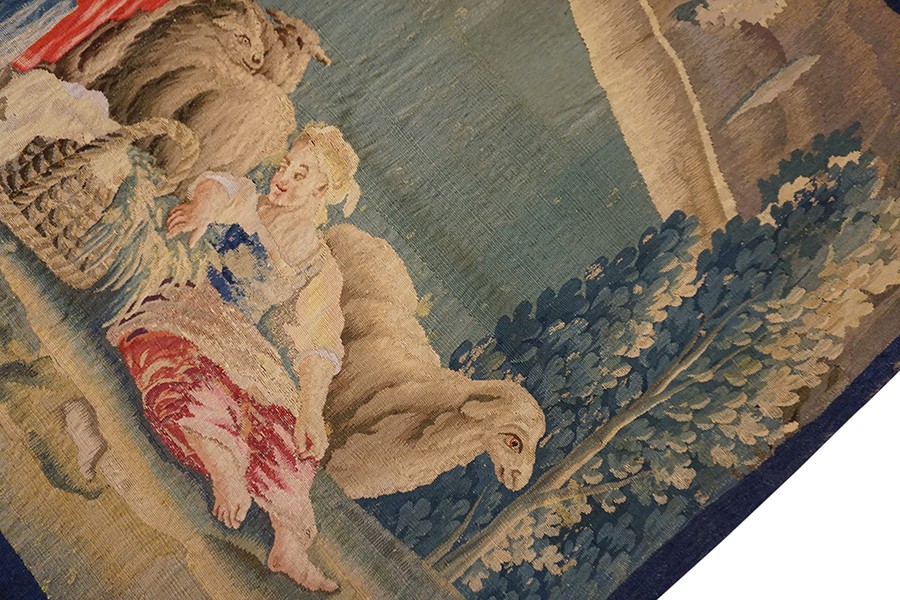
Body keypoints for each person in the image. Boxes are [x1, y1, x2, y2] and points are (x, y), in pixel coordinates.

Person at [105, 123, 361, 592]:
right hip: (187, 305)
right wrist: (200, 209)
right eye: (286, 165)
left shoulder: (319, 265)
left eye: (300, 174)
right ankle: (224, 465)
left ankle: (289, 544)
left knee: (286, 428)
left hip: (240, 340)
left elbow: (318, 343)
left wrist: (311, 410)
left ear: (322, 191)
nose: (283, 177)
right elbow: (218, 187)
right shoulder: (250, 202)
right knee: (187, 375)